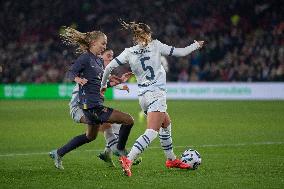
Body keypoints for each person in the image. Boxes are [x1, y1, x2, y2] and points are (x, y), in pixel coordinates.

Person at [101, 20, 204, 176]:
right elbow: (181, 52)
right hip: (156, 94)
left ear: (135, 37)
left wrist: (103, 85)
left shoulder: (129, 51)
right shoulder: (156, 45)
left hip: (143, 97)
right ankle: (128, 159)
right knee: (152, 131)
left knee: (166, 124)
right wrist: (196, 45)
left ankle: (171, 159)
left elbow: (108, 67)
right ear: (148, 34)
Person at [49, 27, 135, 170]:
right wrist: (78, 79)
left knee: (90, 136)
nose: (104, 46)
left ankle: (58, 153)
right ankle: (118, 149)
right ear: (93, 43)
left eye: (105, 44)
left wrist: (119, 80)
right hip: (86, 107)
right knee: (127, 120)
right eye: (103, 43)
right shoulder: (85, 58)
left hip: (92, 106)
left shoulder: (98, 62)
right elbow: (70, 72)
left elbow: (102, 84)